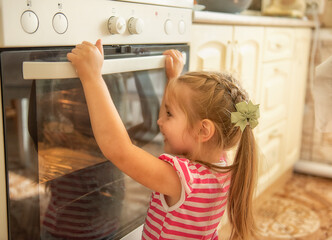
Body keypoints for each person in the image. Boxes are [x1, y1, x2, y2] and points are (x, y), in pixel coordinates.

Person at [67, 39, 259, 240]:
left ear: (203, 131)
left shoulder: (182, 180)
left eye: (169, 114)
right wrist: (173, 79)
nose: (159, 121)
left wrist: (92, 77)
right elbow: (183, 132)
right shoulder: (221, 163)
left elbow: (120, 151)